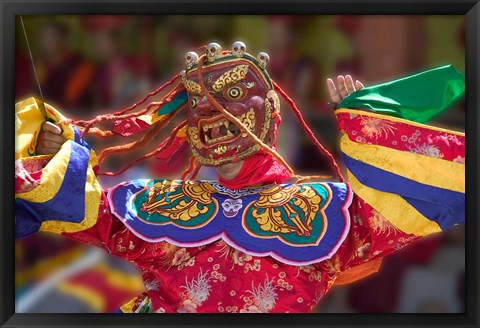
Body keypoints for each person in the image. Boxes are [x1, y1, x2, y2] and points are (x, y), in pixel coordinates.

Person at [15, 41, 465, 313]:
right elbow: (78, 207)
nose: (210, 110)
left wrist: (367, 127)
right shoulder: (163, 201)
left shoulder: (328, 208)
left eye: (232, 94)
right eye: (197, 103)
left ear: (270, 111)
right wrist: (59, 153)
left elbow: (402, 206)